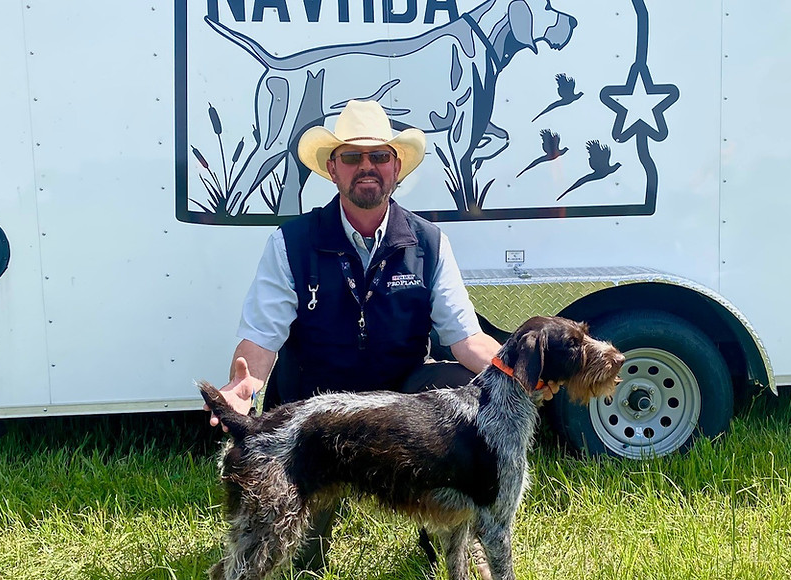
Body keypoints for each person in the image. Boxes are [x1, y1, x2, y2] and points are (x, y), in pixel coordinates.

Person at [206, 99, 556, 569]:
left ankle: (450, 524)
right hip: (319, 420)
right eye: (352, 157)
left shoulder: (430, 242)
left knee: (450, 386)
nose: (366, 167)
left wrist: (521, 372)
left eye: (379, 156)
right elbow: (260, 341)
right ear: (333, 168)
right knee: (301, 559)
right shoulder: (291, 243)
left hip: (401, 416)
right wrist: (243, 387)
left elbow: (465, 339)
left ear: (397, 167)